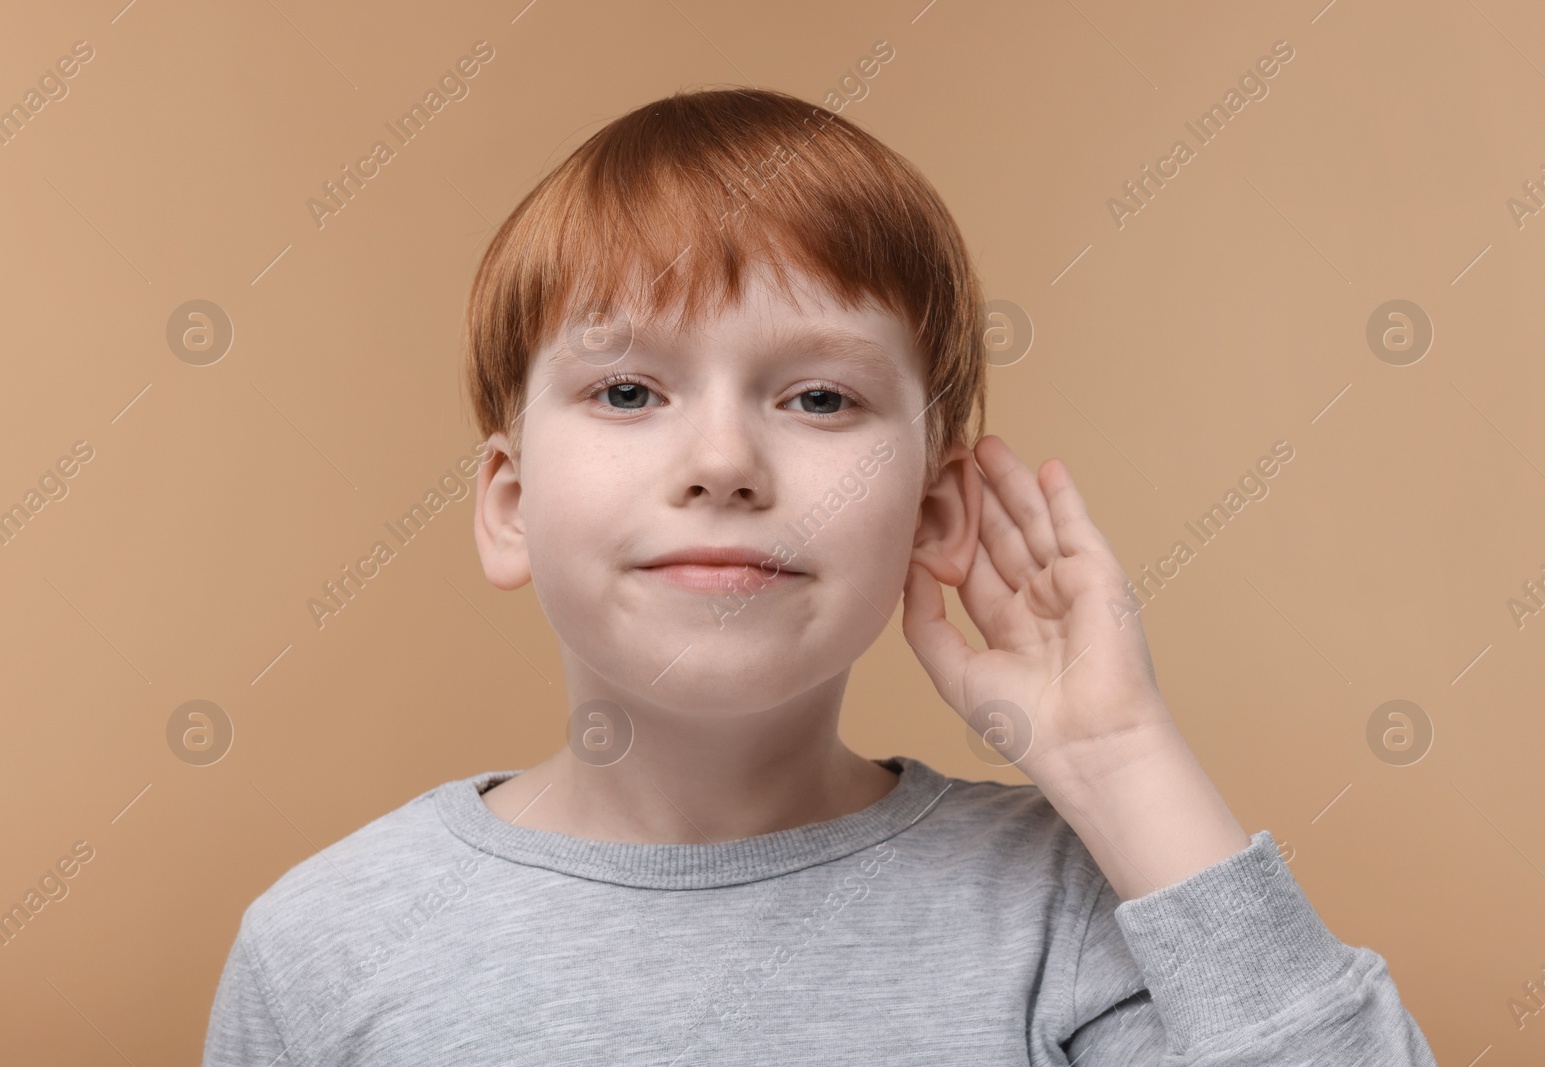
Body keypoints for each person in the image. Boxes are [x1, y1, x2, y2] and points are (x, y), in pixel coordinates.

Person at [203, 86, 1438, 1065]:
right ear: (509, 505)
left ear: (930, 510)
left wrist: (1121, 756)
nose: (726, 460)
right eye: (628, 389)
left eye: (818, 396)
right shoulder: (328, 943)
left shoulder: (1075, 910)